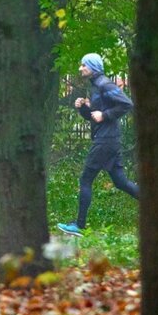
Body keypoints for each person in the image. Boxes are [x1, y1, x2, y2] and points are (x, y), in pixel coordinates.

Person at [57, 53, 139, 236]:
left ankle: (79, 226)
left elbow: (127, 104)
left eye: (83, 65)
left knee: (85, 179)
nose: (80, 69)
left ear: (93, 67)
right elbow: (94, 117)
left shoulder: (105, 84)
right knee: (121, 182)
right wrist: (83, 109)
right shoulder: (95, 86)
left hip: (105, 141)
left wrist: (105, 115)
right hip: (109, 139)